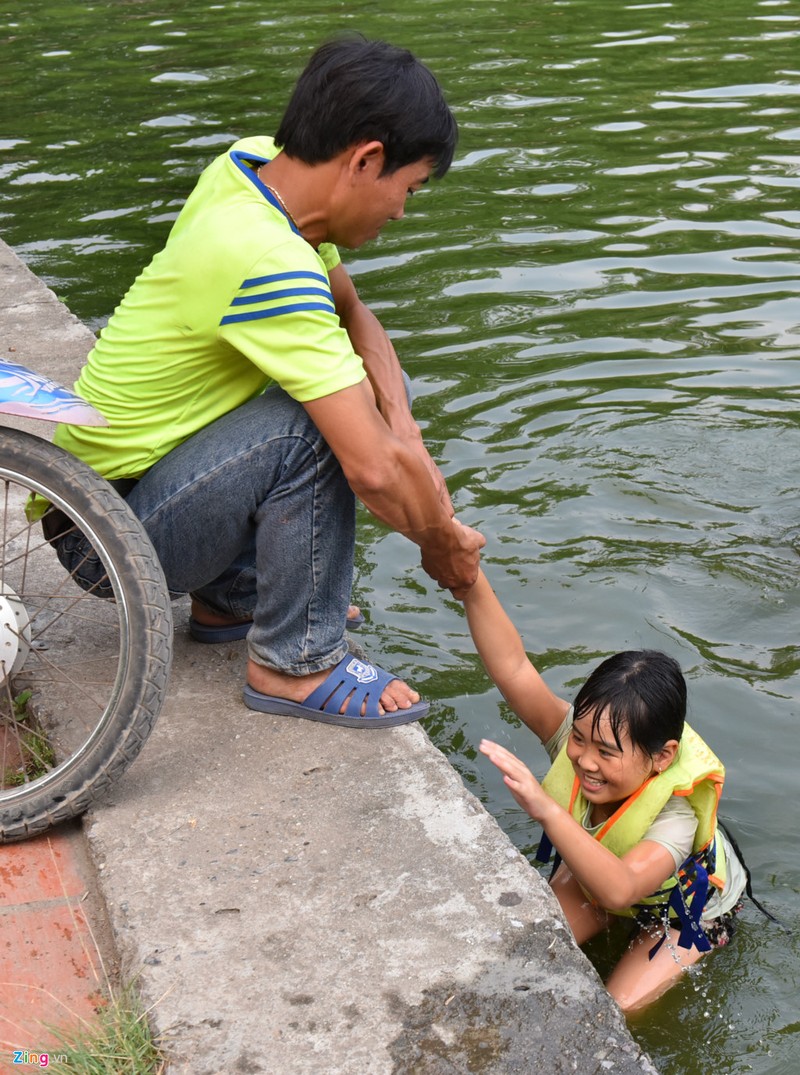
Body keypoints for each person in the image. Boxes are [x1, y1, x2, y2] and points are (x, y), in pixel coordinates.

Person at [52, 34, 484, 728]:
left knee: (366, 394)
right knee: (320, 428)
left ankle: (232, 595)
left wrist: (404, 426)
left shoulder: (255, 165)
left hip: (117, 497)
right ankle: (296, 660)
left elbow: (354, 314)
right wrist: (443, 545)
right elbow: (371, 470)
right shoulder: (269, 261)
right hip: (104, 537)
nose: (402, 211)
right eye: (406, 189)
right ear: (366, 159)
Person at [461, 567, 747, 1011]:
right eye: (579, 738)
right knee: (525, 952)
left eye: (607, 752)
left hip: (685, 908)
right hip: (605, 875)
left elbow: (622, 890)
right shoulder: (571, 744)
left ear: (662, 757)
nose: (584, 760)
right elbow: (513, 668)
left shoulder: (677, 816)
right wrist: (469, 579)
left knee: (617, 1007)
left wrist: (546, 810)